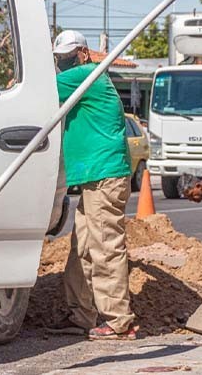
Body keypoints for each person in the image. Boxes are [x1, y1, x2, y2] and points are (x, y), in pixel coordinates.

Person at [47, 30, 137, 340]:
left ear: (84, 53)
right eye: (59, 59)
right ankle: (81, 314)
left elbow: (37, 90)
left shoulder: (86, 75)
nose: (63, 63)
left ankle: (118, 320)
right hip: (95, 177)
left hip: (104, 176)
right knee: (82, 248)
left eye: (67, 57)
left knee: (104, 247)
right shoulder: (86, 77)